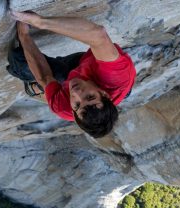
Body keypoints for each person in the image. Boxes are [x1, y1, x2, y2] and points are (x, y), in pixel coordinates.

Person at [7, 11, 136, 138]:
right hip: (92, 69)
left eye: (77, 105)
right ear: (103, 93)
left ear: (73, 114)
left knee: (19, 60)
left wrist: (23, 35)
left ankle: (40, 90)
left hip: (82, 77)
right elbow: (99, 35)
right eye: (90, 97)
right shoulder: (114, 76)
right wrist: (41, 22)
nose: (77, 93)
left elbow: (44, 78)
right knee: (67, 76)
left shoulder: (64, 108)